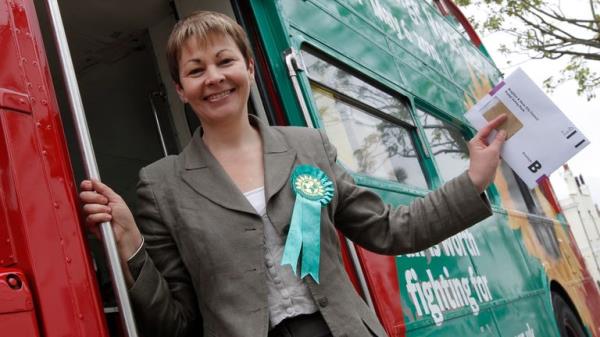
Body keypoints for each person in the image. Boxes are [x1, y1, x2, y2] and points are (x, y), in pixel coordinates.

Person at [79, 11, 507, 337]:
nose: (213, 78)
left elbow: (391, 230)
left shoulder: (308, 145)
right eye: (195, 70)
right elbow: (176, 321)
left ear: (248, 67)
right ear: (180, 90)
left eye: (224, 61)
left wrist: (474, 180)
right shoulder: (160, 184)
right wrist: (131, 244)